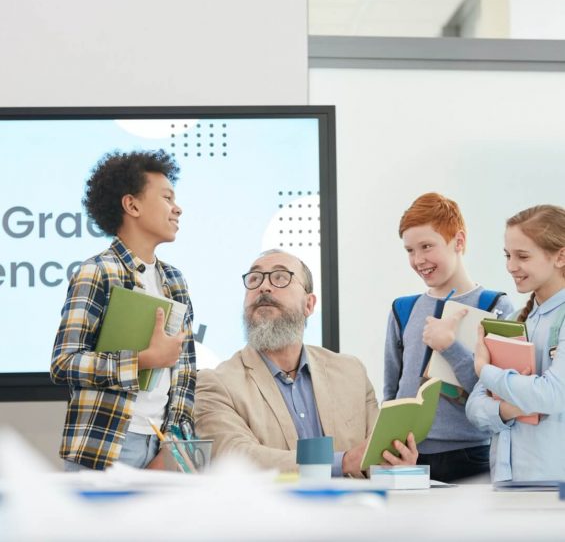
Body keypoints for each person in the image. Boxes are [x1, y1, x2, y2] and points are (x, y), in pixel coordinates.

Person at [194, 249, 418, 477]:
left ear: (309, 305)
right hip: (273, 511)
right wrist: (342, 461)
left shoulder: (351, 373)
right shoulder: (216, 383)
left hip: (354, 509)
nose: (264, 286)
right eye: (254, 279)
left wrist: (396, 459)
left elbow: (378, 449)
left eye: (280, 277)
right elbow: (237, 458)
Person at [51, 149, 196, 471]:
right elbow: (64, 362)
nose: (178, 208)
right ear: (132, 205)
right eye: (167, 197)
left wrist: (175, 447)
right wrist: (143, 360)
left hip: (162, 445)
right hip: (105, 447)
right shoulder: (97, 271)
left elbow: (185, 374)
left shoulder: (175, 280)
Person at [383, 193, 514, 482]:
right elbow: (391, 391)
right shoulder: (402, 309)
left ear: (459, 241)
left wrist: (450, 347)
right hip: (408, 456)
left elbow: (498, 394)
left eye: (427, 246)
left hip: (472, 457)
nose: (418, 260)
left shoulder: (494, 307)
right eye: (409, 250)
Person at [466, 205, 565, 482]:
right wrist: (510, 408)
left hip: (554, 489)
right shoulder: (512, 321)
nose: (511, 266)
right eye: (508, 255)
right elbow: (474, 408)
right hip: (506, 482)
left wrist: (485, 370)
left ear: (560, 257)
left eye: (522, 256)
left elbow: (553, 395)